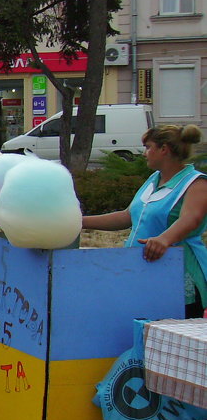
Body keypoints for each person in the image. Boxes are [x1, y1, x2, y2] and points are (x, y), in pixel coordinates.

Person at [82, 124, 207, 318]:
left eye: (148, 147)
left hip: (179, 276)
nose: (144, 153)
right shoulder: (154, 179)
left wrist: (164, 239)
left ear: (163, 149)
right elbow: (127, 216)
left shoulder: (196, 183)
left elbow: (192, 218)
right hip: (143, 273)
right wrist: (79, 221)